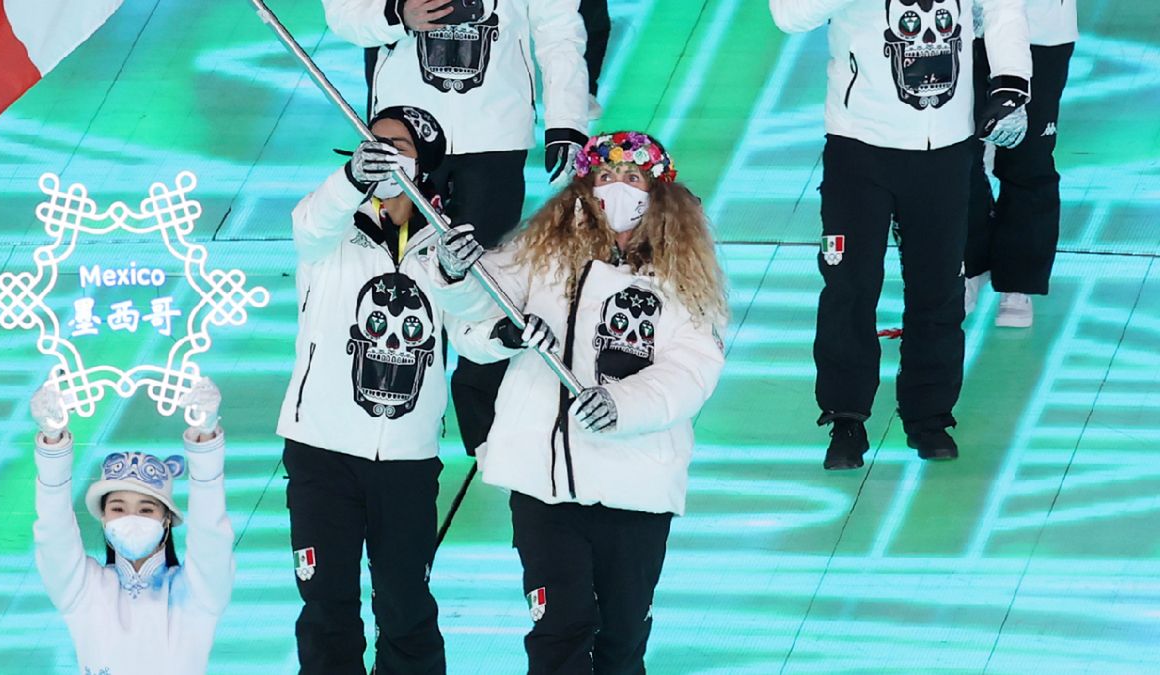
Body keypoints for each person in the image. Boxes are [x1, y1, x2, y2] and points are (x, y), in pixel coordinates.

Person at [431, 131, 726, 674]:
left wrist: (622, 405)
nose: (617, 189)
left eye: (632, 178)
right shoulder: (540, 251)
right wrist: (456, 276)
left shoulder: (682, 277)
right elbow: (472, 316)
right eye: (605, 177)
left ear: (658, 192)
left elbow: (693, 370)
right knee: (559, 628)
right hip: (544, 486)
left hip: (636, 487)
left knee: (620, 639)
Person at [276, 104, 495, 674]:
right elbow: (308, 224)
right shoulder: (333, 229)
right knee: (326, 605)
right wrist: (350, 179)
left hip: (406, 461)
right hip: (321, 450)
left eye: (397, 145)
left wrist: (454, 276)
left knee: (405, 607)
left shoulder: (448, 246)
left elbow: (474, 331)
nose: (380, 152)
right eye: (372, 141)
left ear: (425, 167)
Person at [769, 0, 1033, 470]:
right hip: (858, 144)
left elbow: (1002, 8)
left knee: (940, 287)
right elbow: (788, 14)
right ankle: (845, 417)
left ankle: (929, 416)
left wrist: (1012, 83)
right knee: (849, 286)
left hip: (947, 146)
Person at [322, 0, 591, 460]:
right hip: (403, 131)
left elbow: (559, 25)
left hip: (495, 135)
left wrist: (567, 121)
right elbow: (344, 12)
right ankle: (384, 426)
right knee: (396, 287)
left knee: (485, 283)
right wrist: (396, 14)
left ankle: (488, 435)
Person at [29, 377, 233, 675]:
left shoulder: (197, 592)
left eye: (146, 508)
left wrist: (206, 438)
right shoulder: (83, 590)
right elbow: (52, 528)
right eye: (118, 508)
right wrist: (52, 440)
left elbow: (211, 531)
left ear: (167, 520)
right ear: (103, 517)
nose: (131, 517)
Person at [966, 0, 1078, 327]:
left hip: (1042, 33)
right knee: (958, 157)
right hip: (958, 33)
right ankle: (967, 266)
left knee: (1029, 158)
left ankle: (1019, 281)